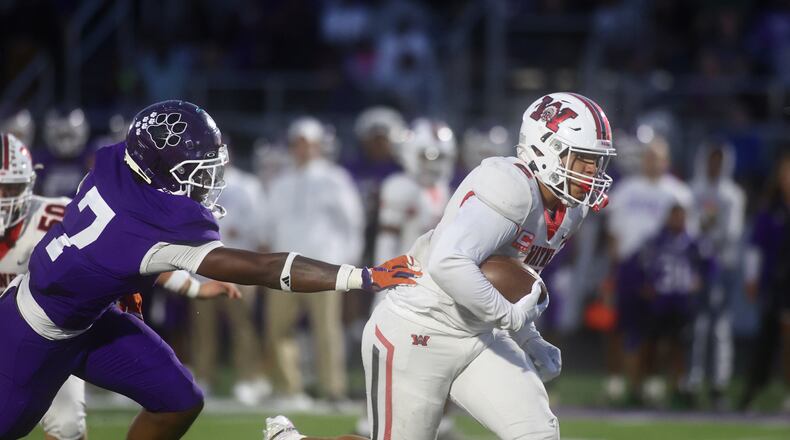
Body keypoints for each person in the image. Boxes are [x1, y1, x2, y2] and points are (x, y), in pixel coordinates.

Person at [0, 100, 420, 440]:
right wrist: (360, 276)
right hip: (32, 333)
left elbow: (103, 245)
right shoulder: (155, 226)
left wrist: (117, 277)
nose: (206, 182)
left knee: (178, 398)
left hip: (89, 316)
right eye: (196, 172)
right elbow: (264, 268)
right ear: (160, 170)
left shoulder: (113, 163)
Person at [270, 92, 617, 439]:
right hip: (419, 327)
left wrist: (527, 337)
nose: (593, 171)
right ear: (546, 148)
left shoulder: (572, 208)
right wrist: (511, 319)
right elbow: (449, 263)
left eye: (598, 161)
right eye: (584, 158)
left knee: (538, 434)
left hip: (479, 335)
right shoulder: (511, 185)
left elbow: (513, 280)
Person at [0, 132, 240, 440]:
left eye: (10, 187)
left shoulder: (52, 215)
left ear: (29, 184)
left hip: (54, 330)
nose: (3, 198)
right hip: (17, 324)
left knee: (67, 425)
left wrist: (192, 287)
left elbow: (129, 249)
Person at [264, 116, 366, 408]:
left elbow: (353, 222)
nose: (302, 149)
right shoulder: (281, 182)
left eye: (307, 144)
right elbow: (270, 225)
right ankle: (289, 389)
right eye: (298, 143)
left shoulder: (334, 178)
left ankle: (333, 390)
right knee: (279, 328)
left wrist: (348, 265)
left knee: (327, 330)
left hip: (324, 266)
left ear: (318, 146)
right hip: (284, 266)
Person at [602, 135, 693, 404]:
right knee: (621, 326)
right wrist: (613, 270)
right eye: (649, 156)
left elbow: (688, 236)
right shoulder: (626, 190)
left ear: (667, 161)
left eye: (658, 157)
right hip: (630, 265)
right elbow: (614, 235)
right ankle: (616, 382)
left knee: (658, 330)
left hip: (664, 269)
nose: (653, 162)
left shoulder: (679, 193)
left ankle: (651, 382)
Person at [687, 139, 745, 409]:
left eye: (719, 159)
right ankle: (693, 380)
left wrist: (707, 232)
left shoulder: (733, 195)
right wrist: (703, 234)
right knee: (697, 325)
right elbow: (690, 226)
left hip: (722, 266)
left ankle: (719, 383)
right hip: (696, 265)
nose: (714, 164)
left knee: (720, 326)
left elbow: (731, 232)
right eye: (711, 158)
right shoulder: (693, 190)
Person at [636, 203, 713, 407]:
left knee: (679, 345)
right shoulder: (657, 240)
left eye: (681, 217)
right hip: (660, 300)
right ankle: (650, 384)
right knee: (653, 343)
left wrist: (700, 280)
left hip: (682, 301)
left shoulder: (693, 242)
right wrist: (647, 284)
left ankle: (679, 385)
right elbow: (644, 264)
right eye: (675, 216)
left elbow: (709, 265)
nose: (678, 221)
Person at [738, 152, 790, 412]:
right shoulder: (771, 209)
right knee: (768, 340)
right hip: (776, 283)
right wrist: (751, 277)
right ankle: (753, 391)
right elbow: (756, 247)